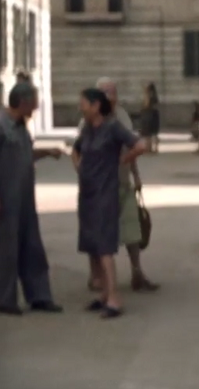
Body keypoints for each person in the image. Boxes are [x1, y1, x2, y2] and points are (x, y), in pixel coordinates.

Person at [73, 87, 148, 319]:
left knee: (105, 246)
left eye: (83, 104)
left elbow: (140, 145)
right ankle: (104, 294)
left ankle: (114, 298)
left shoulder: (112, 127)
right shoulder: (87, 129)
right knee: (94, 246)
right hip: (88, 194)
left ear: (96, 106)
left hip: (106, 194)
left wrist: (125, 159)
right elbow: (75, 150)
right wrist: (80, 169)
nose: (80, 108)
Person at [80, 78, 159, 294]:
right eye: (107, 92)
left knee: (133, 230)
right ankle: (97, 277)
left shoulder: (121, 117)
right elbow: (79, 151)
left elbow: (132, 146)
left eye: (114, 91)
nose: (112, 96)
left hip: (122, 182)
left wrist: (135, 175)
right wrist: (85, 175)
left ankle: (137, 272)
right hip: (99, 188)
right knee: (98, 233)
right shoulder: (88, 121)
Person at [0, 83, 64, 316]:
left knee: (32, 247)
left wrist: (46, 152)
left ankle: (39, 296)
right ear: (23, 102)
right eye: (34, 104)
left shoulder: (21, 128)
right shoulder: (3, 126)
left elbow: (24, 154)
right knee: (7, 250)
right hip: (6, 199)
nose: (36, 109)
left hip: (25, 199)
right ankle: (5, 299)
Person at [140, 82, 160, 154]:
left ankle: (149, 148)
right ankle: (155, 148)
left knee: (147, 134)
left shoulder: (148, 95)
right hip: (155, 114)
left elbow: (146, 105)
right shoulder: (155, 96)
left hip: (148, 115)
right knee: (154, 133)